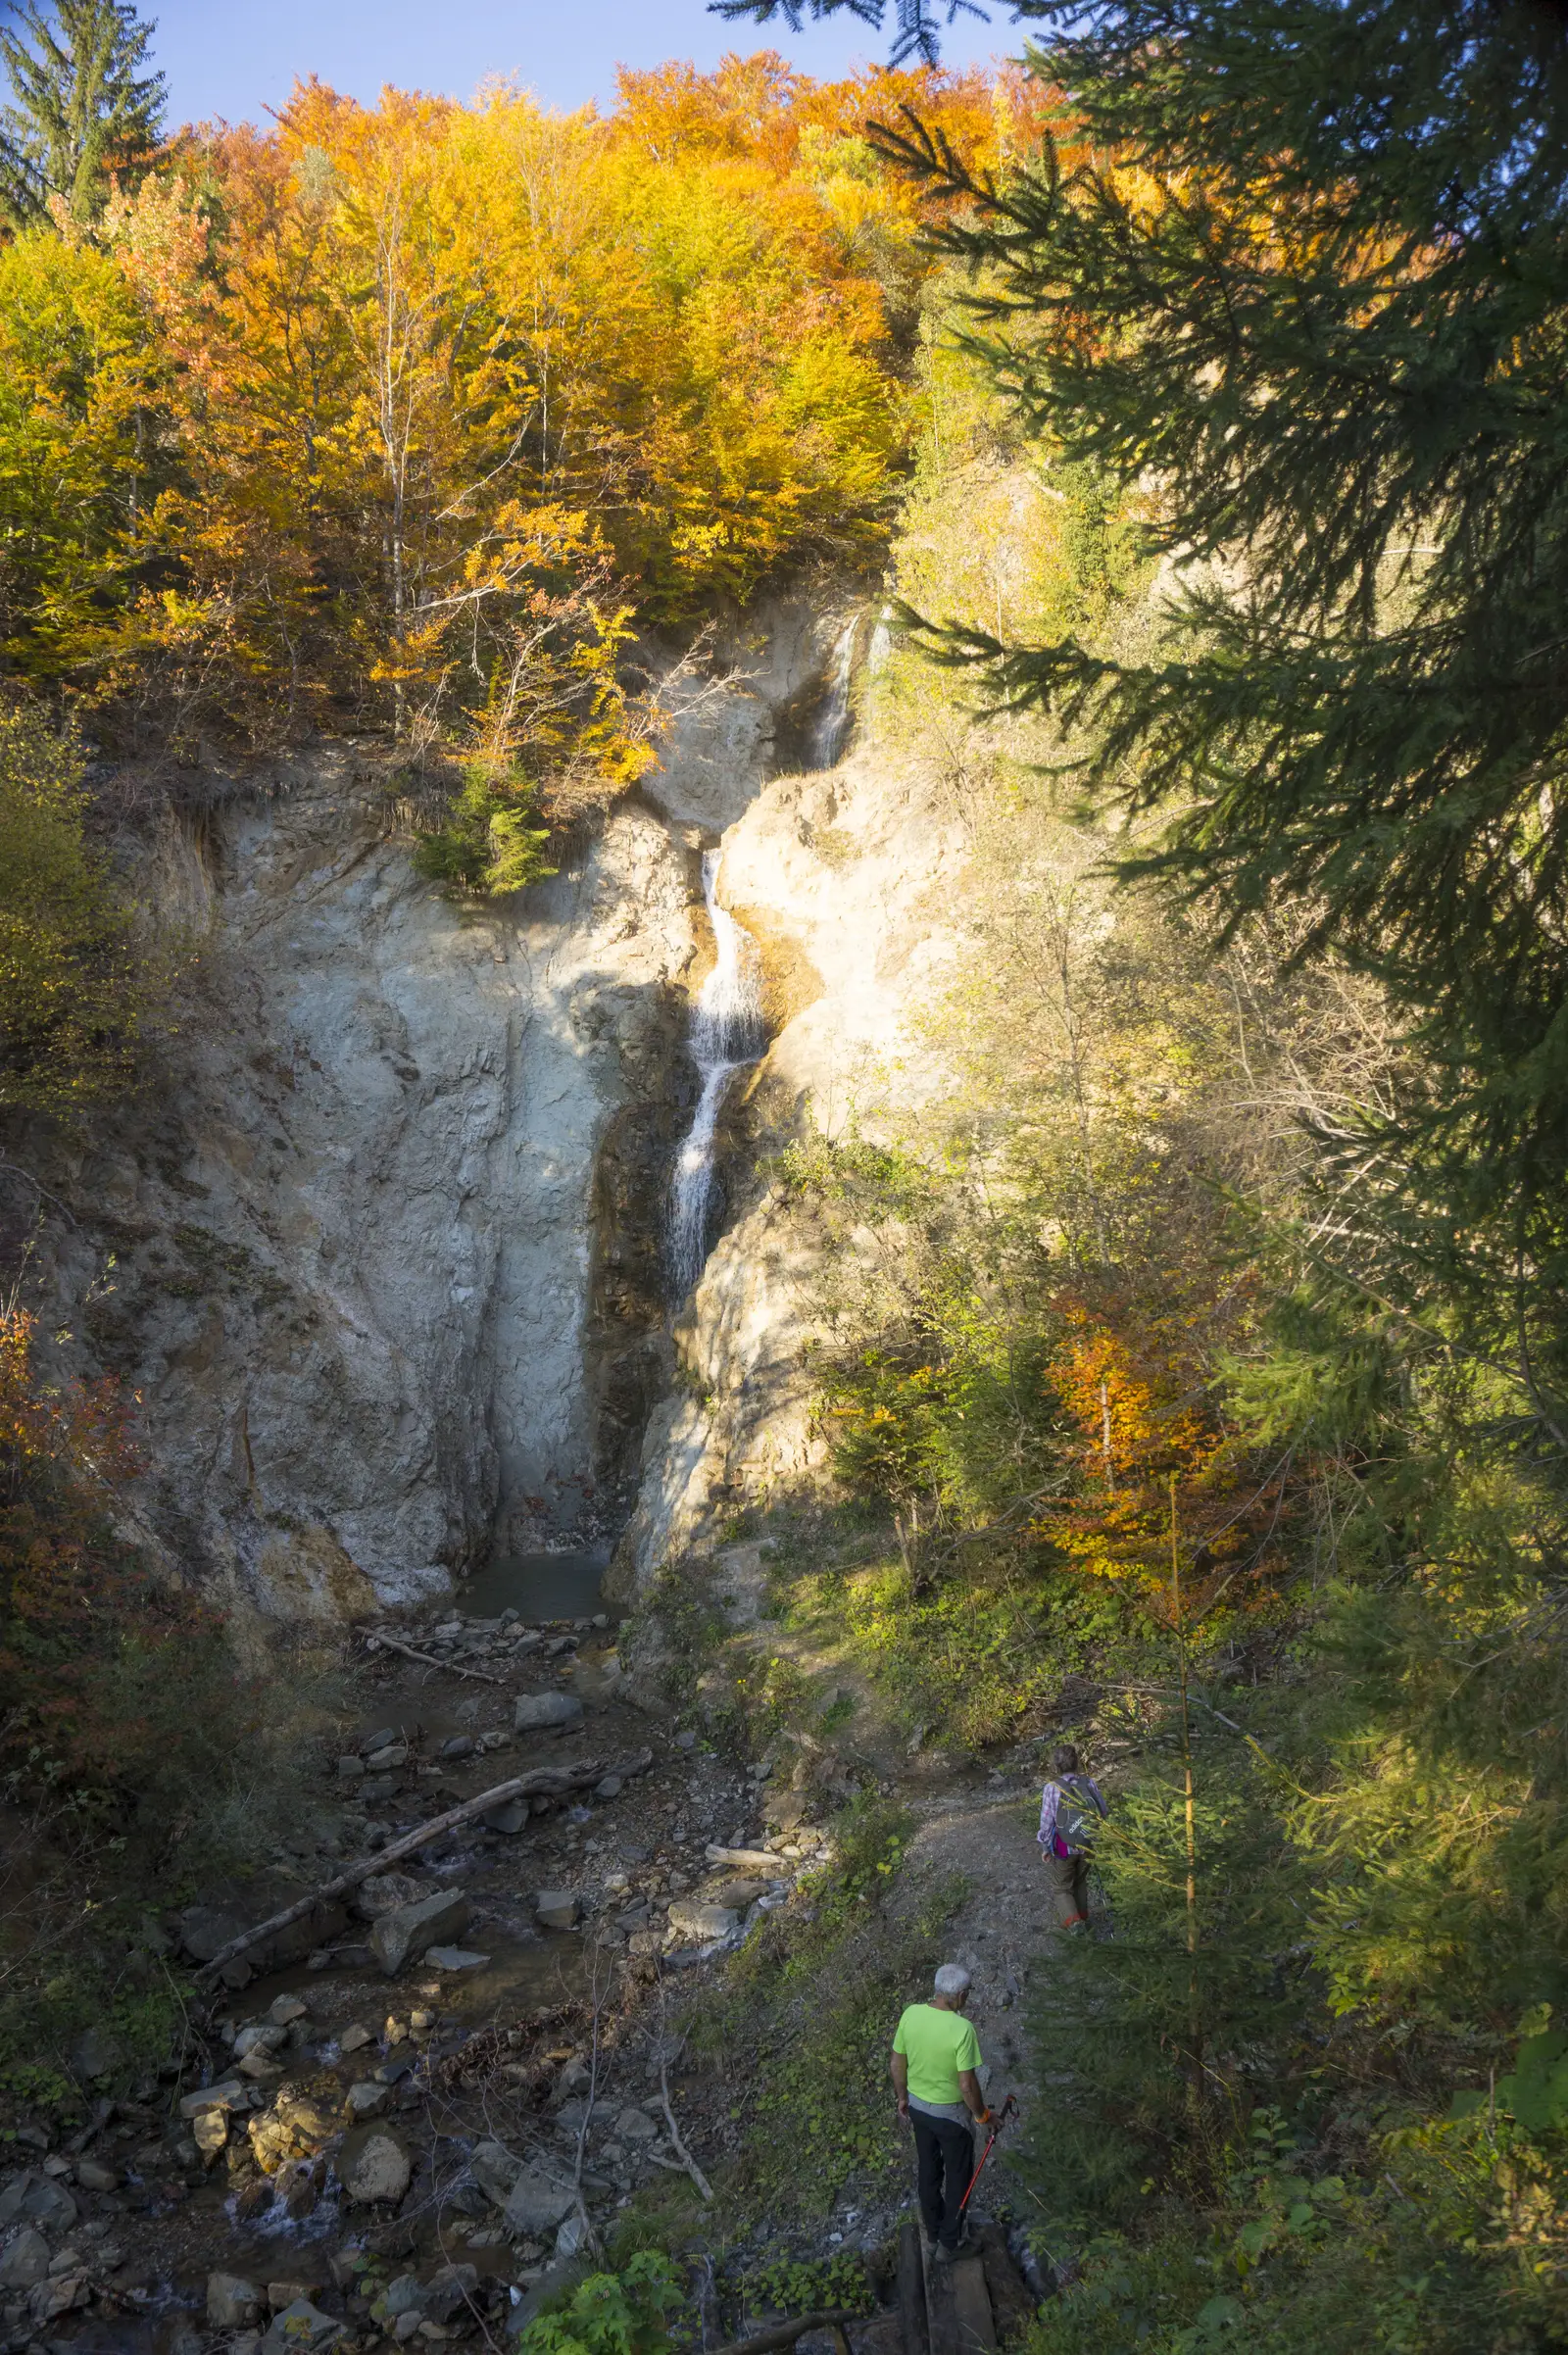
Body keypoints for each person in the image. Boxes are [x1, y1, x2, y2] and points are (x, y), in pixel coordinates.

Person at [891, 1963, 990, 2261]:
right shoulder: (962, 2029)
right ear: (958, 1996)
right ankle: (950, 2244)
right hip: (951, 2118)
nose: (968, 1998)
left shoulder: (911, 2014)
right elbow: (967, 2085)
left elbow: (896, 2063)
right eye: (968, 1994)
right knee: (959, 2175)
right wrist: (982, 2115)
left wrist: (902, 2097)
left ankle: (932, 2234)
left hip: (919, 2110)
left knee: (929, 2171)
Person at [1038, 1742, 1107, 1930]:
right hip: (1088, 1842)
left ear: (1056, 1766)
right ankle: (1083, 1918)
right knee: (1080, 1880)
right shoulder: (1089, 1782)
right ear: (1077, 1762)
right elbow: (1103, 1811)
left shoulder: (1052, 1788)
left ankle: (1075, 1925)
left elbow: (1047, 1822)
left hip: (1063, 1846)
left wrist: (1045, 1846)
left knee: (1061, 1887)